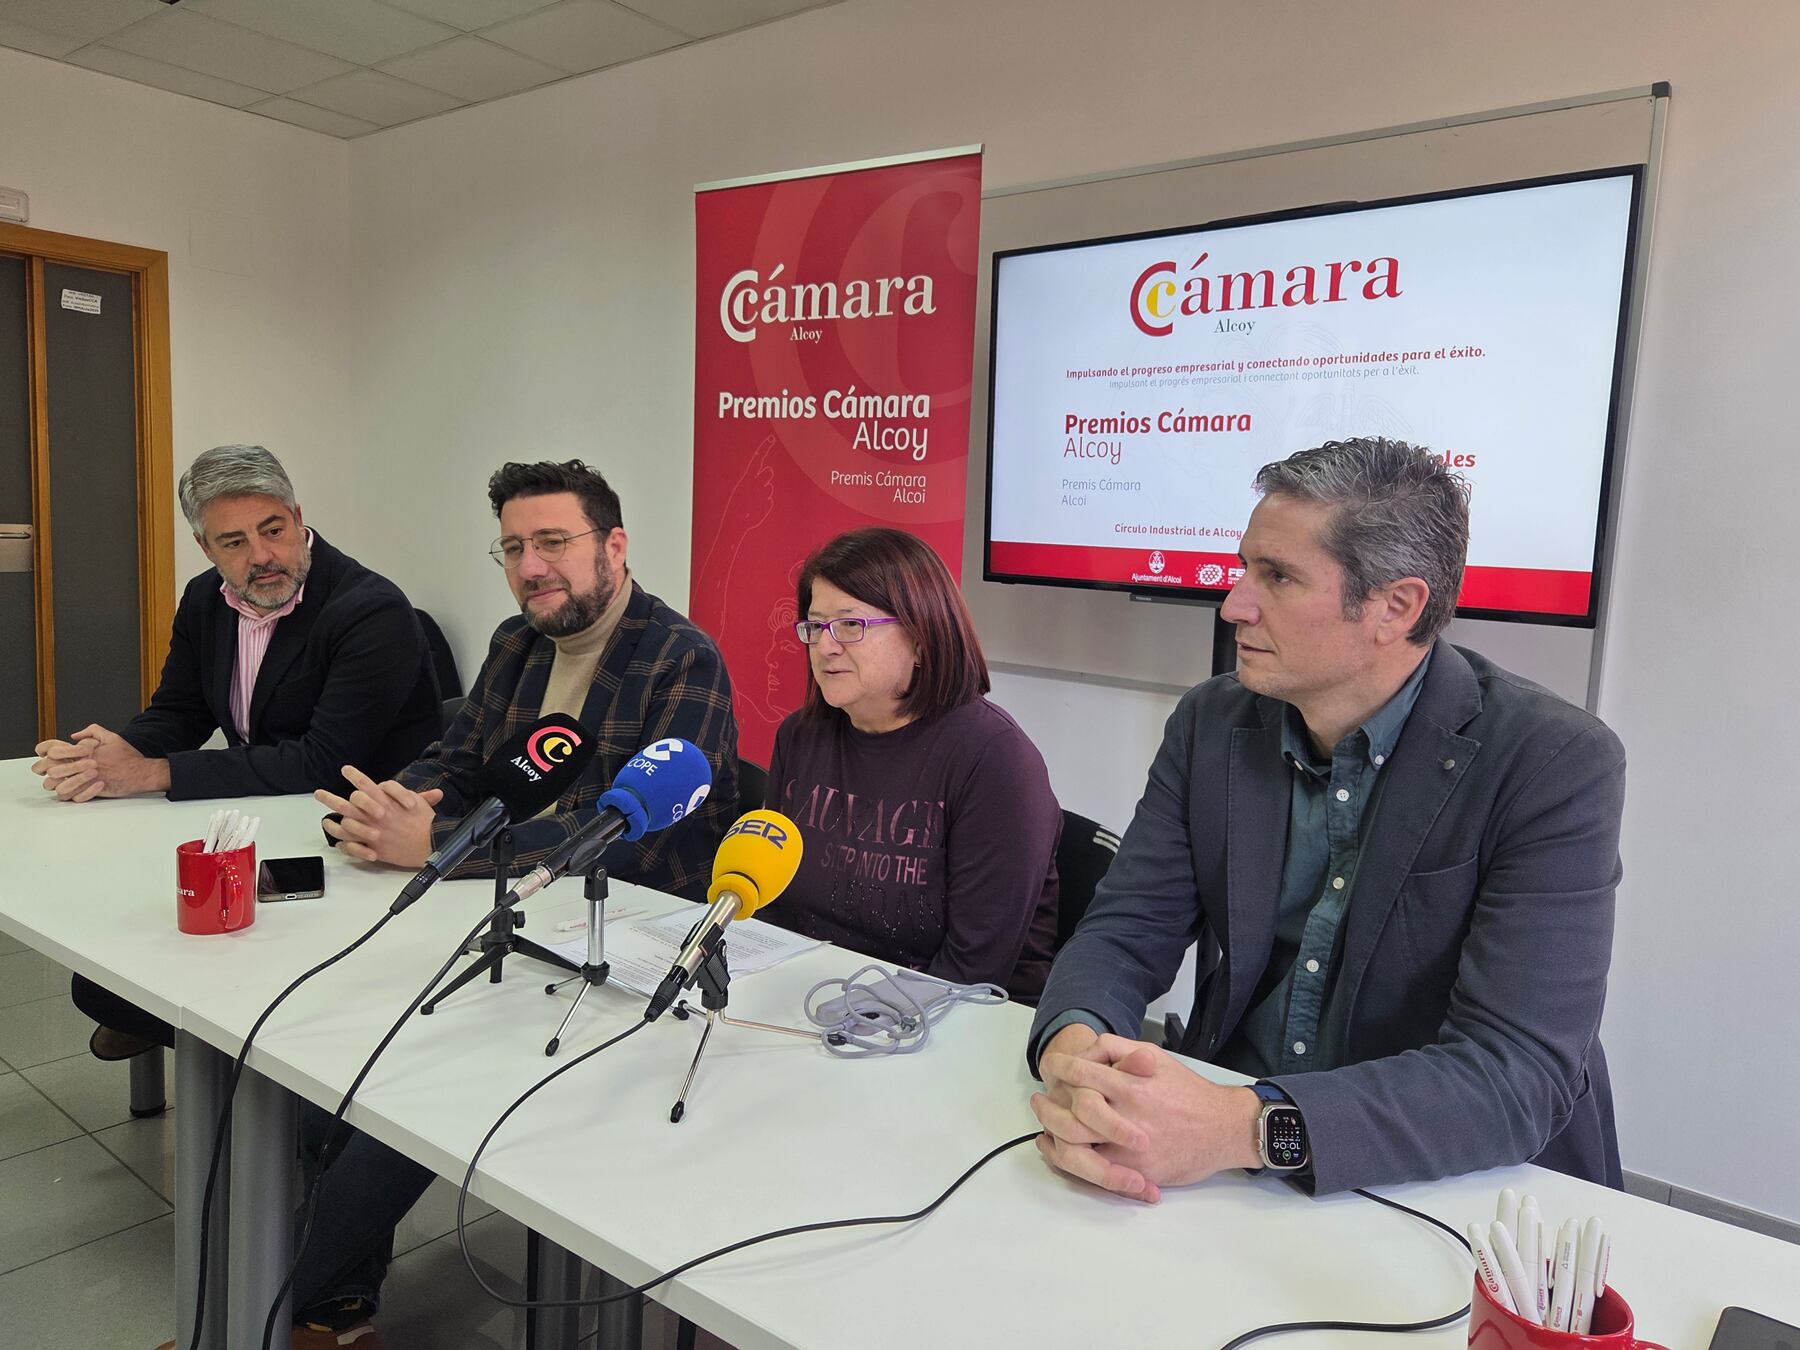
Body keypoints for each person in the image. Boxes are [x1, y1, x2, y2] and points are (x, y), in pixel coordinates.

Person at [1029, 437, 1627, 1203]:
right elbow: (1123, 931)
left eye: (1275, 577)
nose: (1233, 603)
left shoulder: (1552, 762)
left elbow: (1514, 1072)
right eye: (1245, 567)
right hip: (1227, 1162)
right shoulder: (1212, 723)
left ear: (1395, 607)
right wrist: (1077, 1053)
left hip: (1443, 1183)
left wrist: (1243, 1127)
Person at [294, 459, 739, 1345]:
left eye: (552, 543)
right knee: (324, 1048)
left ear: (614, 546)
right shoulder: (515, 644)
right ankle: (336, 1295)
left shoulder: (681, 658)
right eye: (512, 548)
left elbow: (626, 835)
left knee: (405, 1095)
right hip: (496, 920)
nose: (531, 566)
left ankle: (277, 1294)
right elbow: (456, 762)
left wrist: (454, 852)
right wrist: (399, 803)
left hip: (616, 952)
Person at [27, 444, 440, 1062]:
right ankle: (208, 1049)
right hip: (260, 825)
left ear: (299, 517)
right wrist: (107, 756)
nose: (262, 556)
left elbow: (320, 762)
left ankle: (261, 1079)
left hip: (353, 846)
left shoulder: (369, 609)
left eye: (273, 530)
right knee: (105, 975)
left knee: (172, 984)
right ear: (205, 548)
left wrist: (151, 771)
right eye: (234, 543)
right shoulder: (205, 599)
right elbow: (181, 711)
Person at [765, 527, 1060, 1002]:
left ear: (922, 637)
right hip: (808, 997)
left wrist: (841, 1020)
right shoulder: (800, 738)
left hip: (949, 1021)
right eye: (815, 626)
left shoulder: (996, 761)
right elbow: (773, 905)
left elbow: (972, 969)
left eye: (849, 625)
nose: (825, 647)